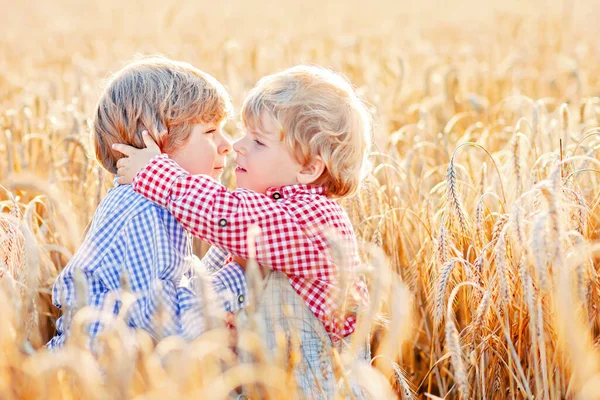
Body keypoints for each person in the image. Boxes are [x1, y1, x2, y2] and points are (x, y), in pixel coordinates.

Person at [114, 65, 373, 397]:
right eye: (244, 133)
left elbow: (225, 216)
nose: (238, 145)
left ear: (309, 168)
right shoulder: (262, 216)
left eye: (258, 142)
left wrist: (157, 173)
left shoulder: (312, 221)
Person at [47, 56, 248, 350]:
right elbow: (166, 324)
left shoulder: (152, 203)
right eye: (209, 132)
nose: (227, 144)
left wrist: (237, 247)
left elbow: (184, 282)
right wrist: (241, 275)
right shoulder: (145, 212)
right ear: (156, 145)